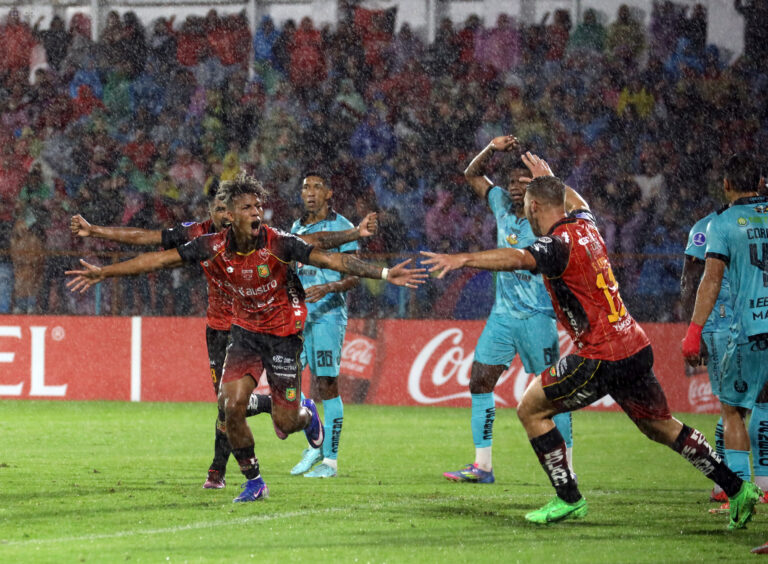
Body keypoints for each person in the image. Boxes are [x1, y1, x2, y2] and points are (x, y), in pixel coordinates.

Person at [421, 152, 761, 528]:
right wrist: (553, 178)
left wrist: (464, 259)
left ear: (533, 207)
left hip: (602, 353)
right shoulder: (586, 225)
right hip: (634, 344)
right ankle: (738, 488)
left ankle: (569, 498)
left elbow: (516, 258)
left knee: (530, 410)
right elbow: (578, 202)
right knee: (661, 426)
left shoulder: (555, 245)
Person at [66, 172, 425, 502]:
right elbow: (157, 260)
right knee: (229, 406)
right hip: (245, 332)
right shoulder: (209, 243)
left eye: (258, 206)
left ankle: (306, 416)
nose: (257, 212)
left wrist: (383, 272)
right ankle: (253, 481)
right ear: (230, 216)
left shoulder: (278, 243)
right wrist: (105, 273)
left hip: (284, 334)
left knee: (285, 423)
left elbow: (330, 259)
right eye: (247, 207)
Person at [443, 135, 574, 485]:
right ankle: (482, 466)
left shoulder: (549, 220)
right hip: (502, 316)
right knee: (479, 381)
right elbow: (471, 174)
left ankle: (568, 469)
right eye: (512, 182)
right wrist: (489, 147)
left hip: (537, 317)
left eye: (524, 183)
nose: (515, 188)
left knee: (555, 394)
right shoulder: (500, 204)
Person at [682, 153, 768, 511]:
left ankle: (738, 492)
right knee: (764, 403)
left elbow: (706, 279)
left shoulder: (718, 224)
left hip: (746, 327)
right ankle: (764, 485)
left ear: (726, 184)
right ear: (761, 182)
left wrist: (693, 330)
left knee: (733, 409)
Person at [288, 172, 359, 478]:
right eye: (306, 187)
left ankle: (330, 460)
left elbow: (355, 274)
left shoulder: (343, 228)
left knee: (327, 385)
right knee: (287, 379)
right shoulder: (297, 228)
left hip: (328, 314)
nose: (311, 192)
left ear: (329, 193)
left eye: (317, 187)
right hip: (300, 315)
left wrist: (328, 288)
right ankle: (316, 441)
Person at [681, 207, 734, 503]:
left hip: (751, 324)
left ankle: (731, 483)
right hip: (720, 326)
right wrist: (694, 330)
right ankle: (727, 483)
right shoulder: (705, 228)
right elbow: (690, 280)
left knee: (742, 405)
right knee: (734, 406)